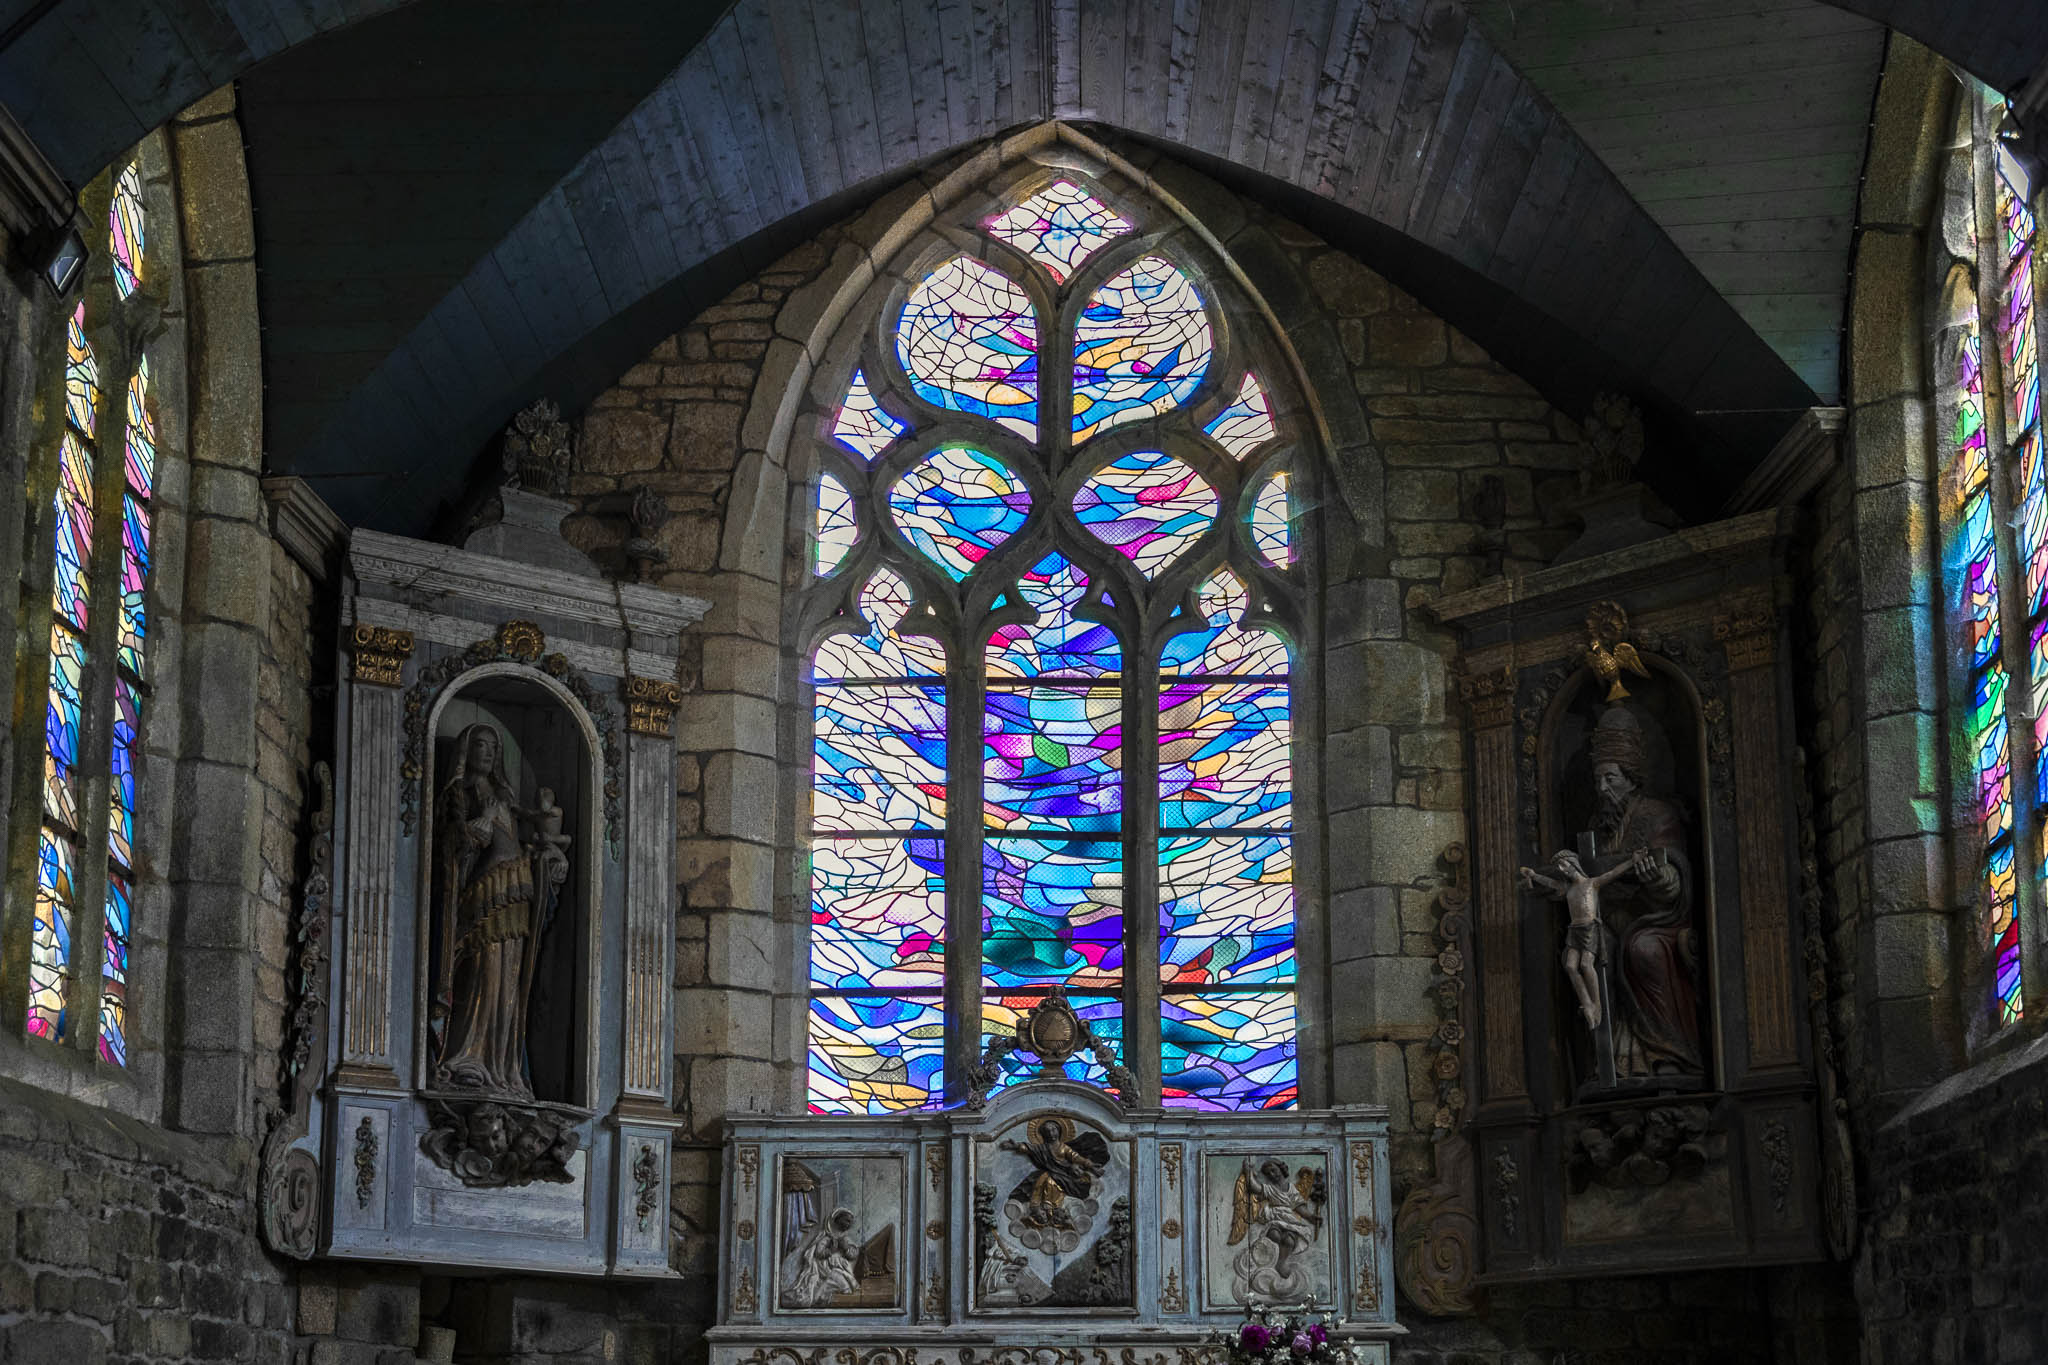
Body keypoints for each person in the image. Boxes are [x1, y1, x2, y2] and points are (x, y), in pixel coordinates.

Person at [432, 723, 570, 1098]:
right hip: (485, 894)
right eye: (481, 745)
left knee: (511, 982)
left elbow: (531, 837)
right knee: (484, 974)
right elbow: (454, 848)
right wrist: (480, 824)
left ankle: (503, 1065)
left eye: (493, 747)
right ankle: (468, 1057)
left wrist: (549, 860)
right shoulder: (459, 794)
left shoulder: (505, 796)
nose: (488, 752)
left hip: (517, 891)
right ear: (467, 751)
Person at [1519, 846, 1650, 1029]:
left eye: (1563, 865)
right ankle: (1587, 1003)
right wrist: (1534, 875)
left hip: (1589, 929)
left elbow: (1613, 873)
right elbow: (1550, 883)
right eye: (1559, 868)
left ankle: (1597, 1006)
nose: (1562, 870)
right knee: (1570, 966)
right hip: (1574, 930)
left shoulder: (1592, 884)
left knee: (1586, 965)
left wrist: (1632, 861)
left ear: (1573, 863)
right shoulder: (1567, 889)